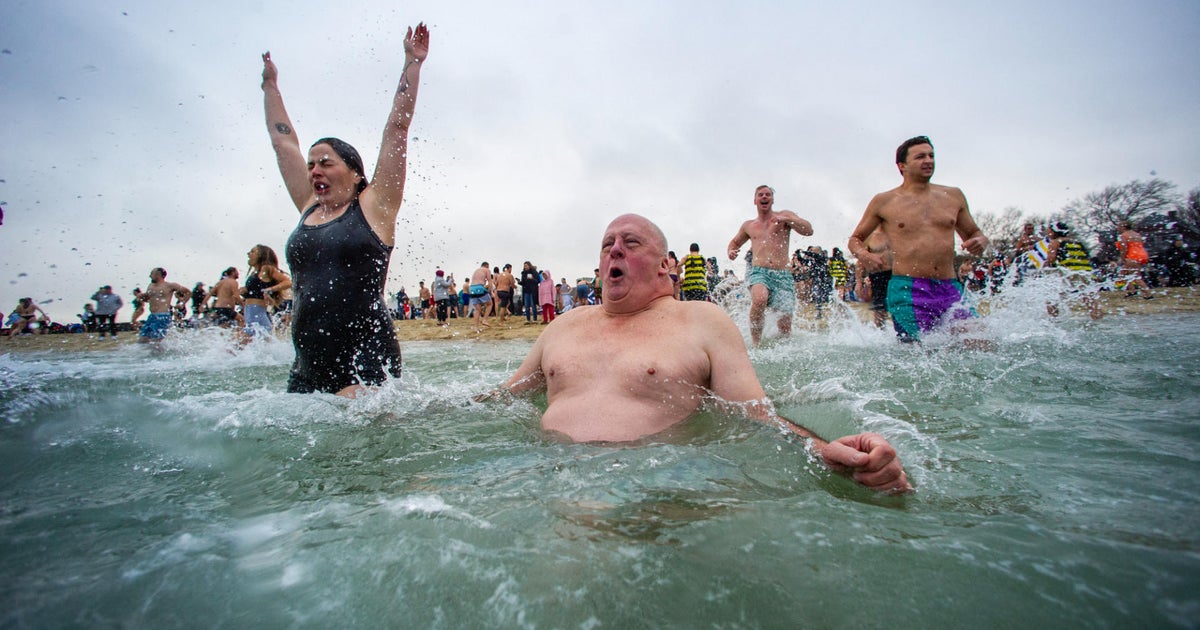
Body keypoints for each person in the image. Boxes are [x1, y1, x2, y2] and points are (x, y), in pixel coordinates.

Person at [479, 214, 911, 493]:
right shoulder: (565, 325)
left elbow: (754, 415)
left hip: (654, 481)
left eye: (631, 243)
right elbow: (499, 401)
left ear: (667, 266)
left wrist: (825, 451)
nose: (614, 249)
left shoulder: (701, 320)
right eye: (608, 243)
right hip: (541, 475)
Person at [261, 22, 428, 396]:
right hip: (307, 365)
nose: (314, 170)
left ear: (354, 173)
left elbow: (397, 129)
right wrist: (271, 87)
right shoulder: (308, 208)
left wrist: (411, 64)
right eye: (311, 165)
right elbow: (282, 143)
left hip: (365, 359)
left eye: (326, 162)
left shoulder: (375, 208)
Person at [848, 136, 988, 342]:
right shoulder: (884, 201)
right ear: (901, 166)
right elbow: (855, 239)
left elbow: (975, 233)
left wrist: (981, 240)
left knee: (979, 342)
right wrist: (863, 254)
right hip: (908, 290)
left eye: (931, 155)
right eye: (920, 156)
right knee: (918, 354)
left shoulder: (953, 196)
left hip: (950, 287)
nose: (929, 161)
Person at [727, 185, 814, 345]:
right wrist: (731, 251)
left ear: (772, 199)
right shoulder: (749, 225)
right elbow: (734, 242)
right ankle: (756, 344)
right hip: (759, 271)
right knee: (760, 299)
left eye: (768, 194)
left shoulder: (784, 216)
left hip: (783, 274)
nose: (764, 197)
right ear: (755, 200)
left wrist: (788, 220)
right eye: (761, 195)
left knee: (785, 325)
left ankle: (782, 349)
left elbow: (808, 230)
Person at [243, 244, 292, 338]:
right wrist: (245, 291)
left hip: (257, 314)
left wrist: (270, 289)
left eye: (253, 251)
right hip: (251, 313)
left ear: (261, 255)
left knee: (238, 345)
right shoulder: (256, 273)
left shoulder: (267, 268)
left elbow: (288, 282)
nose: (249, 254)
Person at [138, 268, 191, 344]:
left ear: (158, 275)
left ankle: (161, 355)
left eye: (151, 274)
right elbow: (149, 298)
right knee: (142, 340)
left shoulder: (170, 285)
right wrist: (142, 296)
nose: (149, 276)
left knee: (156, 342)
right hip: (152, 316)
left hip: (163, 316)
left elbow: (188, 292)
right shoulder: (150, 286)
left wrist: (182, 304)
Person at [1117, 220, 1152, 298]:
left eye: (1119, 226)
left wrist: (1122, 258)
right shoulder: (1137, 234)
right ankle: (1131, 290)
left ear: (1123, 227)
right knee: (1122, 273)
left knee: (1135, 276)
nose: (1118, 228)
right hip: (1141, 254)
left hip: (1132, 255)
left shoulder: (1124, 235)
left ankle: (1148, 294)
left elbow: (1124, 248)